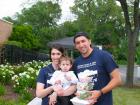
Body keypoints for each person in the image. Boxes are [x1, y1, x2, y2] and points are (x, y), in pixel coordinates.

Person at [72, 32, 122, 105]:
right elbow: (76, 83)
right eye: (78, 43)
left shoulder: (103, 56)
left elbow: (117, 79)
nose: (81, 45)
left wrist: (100, 92)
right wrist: (77, 93)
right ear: (76, 46)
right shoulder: (76, 62)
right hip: (84, 102)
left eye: (83, 41)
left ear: (89, 41)